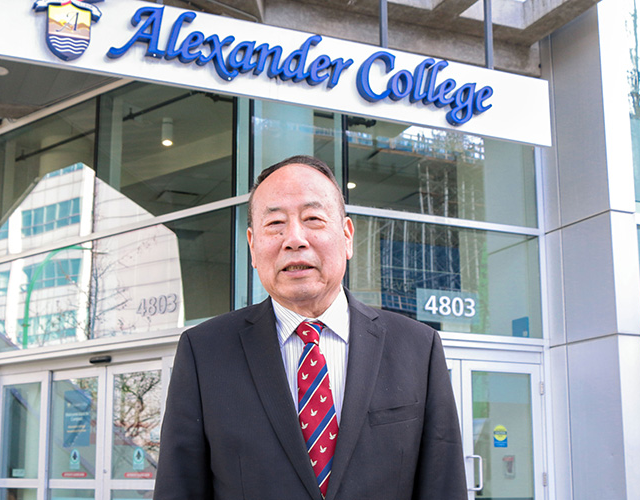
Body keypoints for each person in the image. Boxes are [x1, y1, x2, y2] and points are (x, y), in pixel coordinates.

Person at [153, 155, 467, 500]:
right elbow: (178, 488)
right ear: (253, 246)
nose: (294, 239)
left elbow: (443, 485)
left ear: (347, 236)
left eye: (313, 218)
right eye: (275, 224)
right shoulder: (205, 352)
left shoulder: (418, 348)